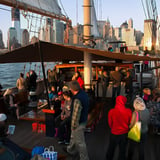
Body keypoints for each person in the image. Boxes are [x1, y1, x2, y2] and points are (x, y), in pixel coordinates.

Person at [66, 80, 89, 160]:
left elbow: (76, 115)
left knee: (80, 142)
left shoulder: (77, 99)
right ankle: (70, 150)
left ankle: (84, 158)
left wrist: (73, 126)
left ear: (72, 89)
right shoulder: (83, 94)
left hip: (78, 123)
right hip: (84, 119)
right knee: (73, 137)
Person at [106, 95, 132, 160]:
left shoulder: (111, 111)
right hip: (124, 133)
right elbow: (130, 122)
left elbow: (110, 123)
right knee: (122, 150)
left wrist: (114, 128)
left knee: (111, 149)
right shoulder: (128, 111)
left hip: (114, 133)